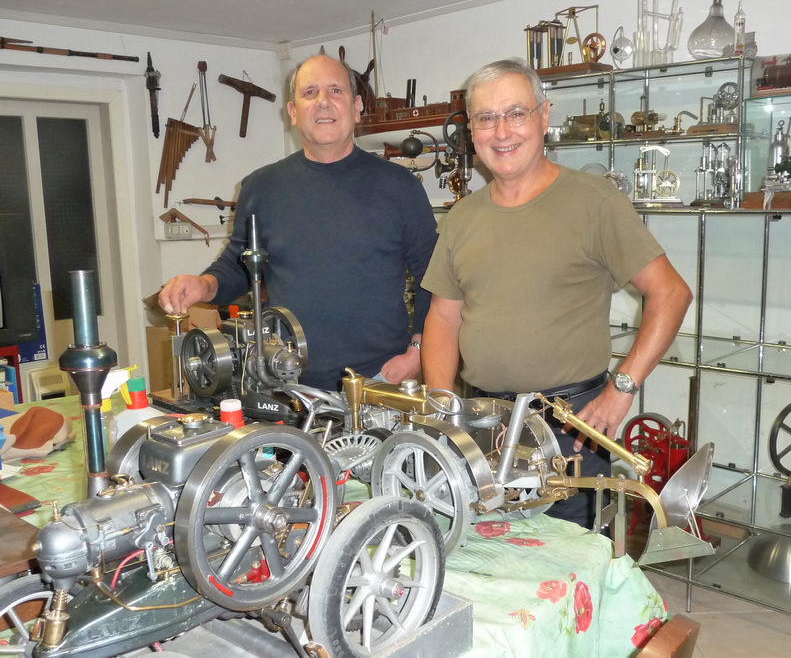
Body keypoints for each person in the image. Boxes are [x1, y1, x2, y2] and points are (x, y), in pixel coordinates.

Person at [421, 58, 692, 528]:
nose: (501, 131)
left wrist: (621, 389)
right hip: (484, 424)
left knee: (571, 560)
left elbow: (671, 293)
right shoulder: (461, 218)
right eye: (486, 118)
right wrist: (443, 411)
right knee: (485, 552)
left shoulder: (594, 202)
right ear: (471, 132)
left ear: (544, 116)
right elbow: (443, 318)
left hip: (568, 428)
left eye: (516, 113)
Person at [159, 54, 437, 391]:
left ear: (357, 107)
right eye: (310, 93)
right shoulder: (261, 187)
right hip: (285, 383)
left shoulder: (399, 186)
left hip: (379, 381)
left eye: (336, 90)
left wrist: (418, 351)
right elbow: (241, 265)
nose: (323, 102)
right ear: (292, 111)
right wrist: (204, 284)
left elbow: (433, 277)